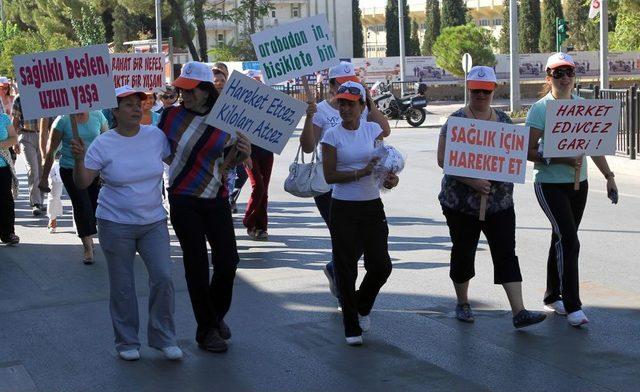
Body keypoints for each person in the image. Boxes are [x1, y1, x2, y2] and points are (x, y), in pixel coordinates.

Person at [71, 86, 182, 361]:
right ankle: (127, 342)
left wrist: (225, 154)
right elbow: (83, 182)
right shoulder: (103, 143)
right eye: (129, 104)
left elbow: (178, 161)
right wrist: (78, 159)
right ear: (115, 112)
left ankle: (163, 338)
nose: (136, 108)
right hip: (114, 222)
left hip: (154, 221)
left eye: (139, 103)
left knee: (163, 277)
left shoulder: (155, 136)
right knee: (122, 285)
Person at [437, 66, 547, 329]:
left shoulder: (506, 123)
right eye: (475, 90)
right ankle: (463, 302)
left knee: (506, 253)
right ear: (468, 88)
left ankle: (519, 311)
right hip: (461, 205)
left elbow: (514, 158)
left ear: (493, 90)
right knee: (463, 252)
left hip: (500, 204)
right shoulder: (455, 122)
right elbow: (443, 160)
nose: (480, 95)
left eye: (485, 90)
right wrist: (472, 181)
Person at [159, 61, 251, 353]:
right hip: (183, 197)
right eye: (181, 89)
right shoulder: (169, 117)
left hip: (216, 197)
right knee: (196, 263)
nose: (183, 95)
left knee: (228, 261)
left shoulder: (227, 119)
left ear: (206, 91)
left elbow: (227, 164)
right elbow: (151, 149)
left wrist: (242, 154)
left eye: (190, 90)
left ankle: (215, 316)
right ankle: (206, 330)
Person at [525, 53, 618, 327]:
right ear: (548, 77)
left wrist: (609, 176)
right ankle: (573, 304)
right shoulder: (540, 109)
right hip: (549, 185)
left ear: (574, 77)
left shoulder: (582, 106)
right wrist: (558, 157)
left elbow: (595, 146)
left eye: (569, 72)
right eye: (558, 73)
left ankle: (552, 294)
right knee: (570, 240)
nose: (564, 78)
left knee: (562, 237)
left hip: (579, 184)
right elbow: (527, 151)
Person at [300, 61, 390, 304]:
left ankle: (335, 270)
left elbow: (384, 131)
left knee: (361, 241)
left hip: (364, 191)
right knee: (343, 242)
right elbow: (308, 147)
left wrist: (367, 102)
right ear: (331, 87)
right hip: (329, 186)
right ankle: (346, 295)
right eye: (342, 84)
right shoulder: (321, 110)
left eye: (354, 82)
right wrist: (309, 118)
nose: (349, 86)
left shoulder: (360, 105)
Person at [321, 81, 398, 346]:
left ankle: (362, 306)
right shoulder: (332, 135)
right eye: (341, 103)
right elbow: (329, 175)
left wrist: (389, 180)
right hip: (343, 207)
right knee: (346, 267)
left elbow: (382, 168)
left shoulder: (374, 129)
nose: (345, 108)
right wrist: (359, 173)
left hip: (371, 205)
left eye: (351, 104)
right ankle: (351, 325)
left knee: (381, 265)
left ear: (362, 106)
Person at [40, 111, 108, 264]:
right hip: (70, 169)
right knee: (81, 205)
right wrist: (44, 179)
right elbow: (51, 151)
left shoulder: (98, 116)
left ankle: (88, 234)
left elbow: (107, 141)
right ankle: (87, 247)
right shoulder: (62, 120)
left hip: (94, 169)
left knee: (93, 206)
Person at [12, 95, 46, 216]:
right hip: (26, 136)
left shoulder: (44, 94)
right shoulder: (19, 98)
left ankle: (41, 201)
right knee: (33, 169)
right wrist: (15, 142)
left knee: (42, 169)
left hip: (43, 135)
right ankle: (35, 203)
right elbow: (15, 122)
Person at [0, 109, 19, 245]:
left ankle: (8, 233)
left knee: (6, 199)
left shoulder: (4, 118)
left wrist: (1, 145)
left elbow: (13, 138)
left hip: (3, 166)